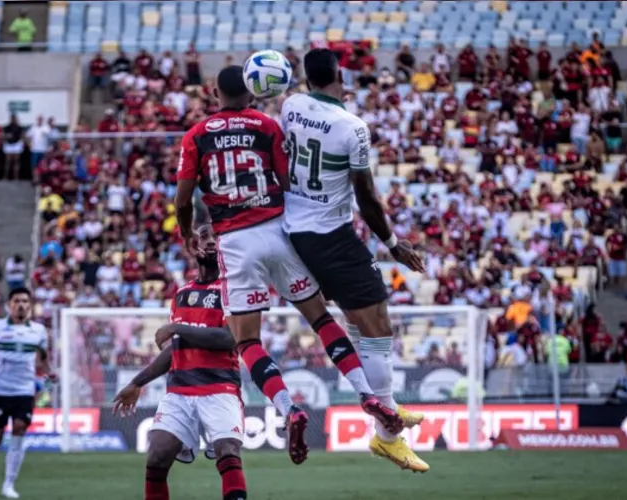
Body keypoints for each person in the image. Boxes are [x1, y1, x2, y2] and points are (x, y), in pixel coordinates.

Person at [174, 66, 402, 465]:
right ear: (251, 93)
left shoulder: (196, 135)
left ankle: (288, 410)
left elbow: (182, 198)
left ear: (213, 93)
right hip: (279, 232)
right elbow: (286, 178)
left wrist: (187, 233)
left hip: (234, 242)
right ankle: (368, 395)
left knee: (246, 341)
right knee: (320, 319)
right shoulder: (267, 125)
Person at [279, 48, 428, 472]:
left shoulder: (290, 106)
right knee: (378, 324)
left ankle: (389, 405)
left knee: (356, 321)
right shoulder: (352, 127)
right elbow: (365, 195)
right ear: (339, 74)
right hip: (330, 235)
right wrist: (393, 242)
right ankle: (388, 436)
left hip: (294, 229)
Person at [113, 222, 247, 500]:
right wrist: (137, 383)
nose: (210, 242)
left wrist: (177, 329)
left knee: (228, 452)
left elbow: (229, 339)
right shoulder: (182, 294)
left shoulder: (233, 288)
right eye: (204, 237)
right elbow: (173, 350)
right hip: (179, 392)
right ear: (192, 246)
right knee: (157, 457)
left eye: (216, 237)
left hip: (220, 388)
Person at [0, 287, 56, 499]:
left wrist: (48, 379)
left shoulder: (38, 331)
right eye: (17, 301)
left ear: (30, 305)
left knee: (19, 428)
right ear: (9, 305)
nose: (21, 305)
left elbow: (44, 360)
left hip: (24, 391)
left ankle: (9, 484)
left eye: (25, 301)